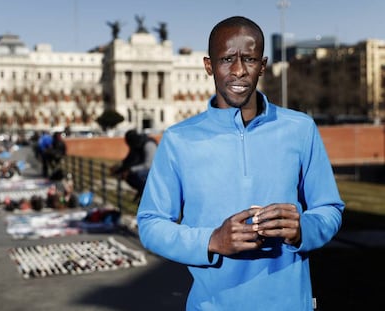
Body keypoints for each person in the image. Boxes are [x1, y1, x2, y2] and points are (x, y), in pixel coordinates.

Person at [137, 16, 345, 310]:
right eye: (226, 59)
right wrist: (212, 240)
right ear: (209, 66)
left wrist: (302, 229)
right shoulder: (177, 140)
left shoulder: (300, 128)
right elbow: (150, 224)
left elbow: (330, 209)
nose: (238, 71)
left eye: (248, 59)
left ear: (262, 65)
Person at [110, 129, 157, 201]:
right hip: (144, 169)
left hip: (154, 172)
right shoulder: (136, 145)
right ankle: (141, 192)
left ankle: (146, 195)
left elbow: (149, 165)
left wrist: (130, 170)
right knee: (126, 175)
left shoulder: (149, 144)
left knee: (137, 175)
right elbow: (129, 160)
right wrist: (119, 168)